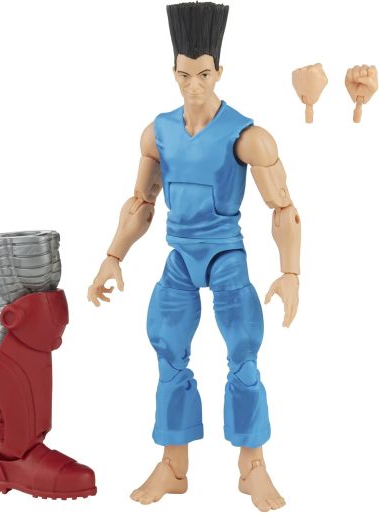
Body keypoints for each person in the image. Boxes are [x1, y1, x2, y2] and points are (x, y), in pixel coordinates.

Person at [88, 3, 300, 511]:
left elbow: (284, 208)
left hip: (225, 254)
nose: (194, 85)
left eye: (203, 74)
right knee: (167, 350)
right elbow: (141, 203)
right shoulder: (158, 132)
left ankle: (252, 468)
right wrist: (113, 255)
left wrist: (290, 272)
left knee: (243, 353)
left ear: (219, 71)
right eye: (185, 75)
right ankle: (173, 466)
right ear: (174, 73)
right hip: (180, 256)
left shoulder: (248, 136)